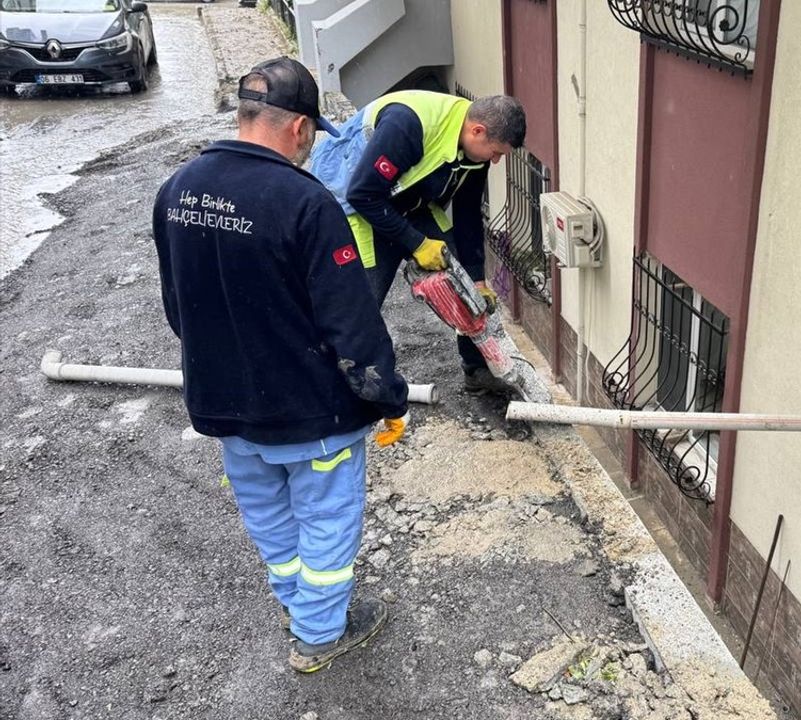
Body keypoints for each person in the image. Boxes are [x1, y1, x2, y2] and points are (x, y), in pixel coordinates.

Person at [152, 57, 409, 674]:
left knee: (268, 515)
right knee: (325, 520)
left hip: (226, 404)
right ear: (298, 128)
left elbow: (178, 306)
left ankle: (298, 605)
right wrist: (387, 398)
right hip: (309, 412)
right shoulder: (305, 202)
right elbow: (351, 323)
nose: (311, 146)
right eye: (313, 135)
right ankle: (319, 635)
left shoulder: (177, 188)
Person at [309, 89, 526, 394]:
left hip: (411, 201)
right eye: (496, 152)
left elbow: (467, 215)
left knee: (461, 280)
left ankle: (476, 371)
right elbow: (363, 194)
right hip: (361, 206)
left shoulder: (473, 146)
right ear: (478, 131)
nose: (497, 161)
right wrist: (417, 244)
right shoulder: (407, 124)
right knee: (362, 303)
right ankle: (336, 385)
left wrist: (476, 279)